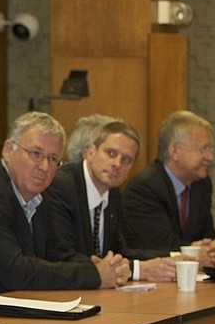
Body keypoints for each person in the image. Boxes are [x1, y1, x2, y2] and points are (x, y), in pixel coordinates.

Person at [0, 111, 130, 299]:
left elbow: (55, 254)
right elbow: (16, 271)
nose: (45, 167)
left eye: (53, 159)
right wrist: (95, 275)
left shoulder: (40, 198)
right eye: (36, 154)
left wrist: (101, 267)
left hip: (10, 306)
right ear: (8, 150)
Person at [123, 110, 215, 265]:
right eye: (203, 149)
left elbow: (205, 239)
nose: (210, 158)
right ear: (174, 151)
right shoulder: (145, 188)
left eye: (210, 150)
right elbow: (164, 248)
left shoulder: (201, 184)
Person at [47, 120, 178, 282]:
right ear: (90, 152)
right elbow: (62, 256)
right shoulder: (61, 185)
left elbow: (119, 252)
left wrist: (172, 259)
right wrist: (137, 270)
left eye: (126, 160)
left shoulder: (113, 194)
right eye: (111, 153)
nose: (116, 164)